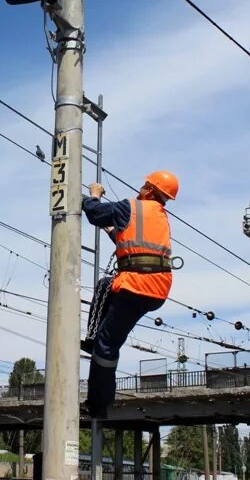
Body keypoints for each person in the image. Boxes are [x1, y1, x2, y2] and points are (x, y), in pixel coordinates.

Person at [81, 170, 179, 419]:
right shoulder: (159, 217)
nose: (141, 188)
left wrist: (93, 195)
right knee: (105, 286)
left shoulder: (131, 207)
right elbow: (138, 246)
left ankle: (98, 404)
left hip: (136, 284)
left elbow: (94, 212)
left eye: (144, 184)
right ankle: (93, 338)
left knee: (108, 344)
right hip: (156, 288)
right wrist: (113, 232)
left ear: (149, 189)